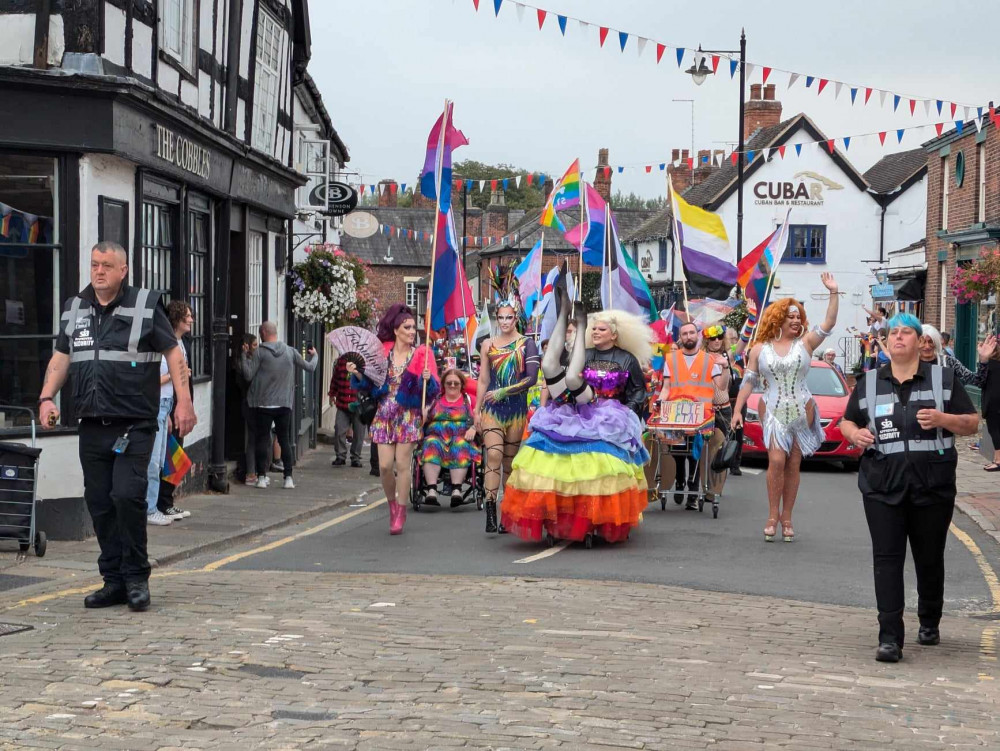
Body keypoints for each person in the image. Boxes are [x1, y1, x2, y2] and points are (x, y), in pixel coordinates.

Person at [38, 241, 196, 612]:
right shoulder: (74, 308)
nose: (99, 272)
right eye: (94, 264)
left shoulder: (144, 305)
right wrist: (47, 397)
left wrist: (184, 402)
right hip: (92, 423)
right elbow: (62, 357)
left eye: (107, 265)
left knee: (127, 496)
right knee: (100, 503)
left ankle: (137, 578)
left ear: (123, 270)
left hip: (135, 422)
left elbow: (173, 352)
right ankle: (114, 580)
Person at [839, 314, 978, 662]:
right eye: (893, 333)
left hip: (932, 486)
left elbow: (972, 423)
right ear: (885, 343)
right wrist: (854, 434)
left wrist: (943, 420)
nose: (898, 337)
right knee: (886, 559)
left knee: (929, 558)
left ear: (920, 341)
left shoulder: (943, 380)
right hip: (881, 484)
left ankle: (930, 619)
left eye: (906, 332)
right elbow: (847, 420)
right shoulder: (869, 383)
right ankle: (890, 637)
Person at [502, 290, 651, 544]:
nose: (596, 333)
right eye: (593, 329)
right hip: (574, 407)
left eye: (601, 329)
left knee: (598, 466)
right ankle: (563, 315)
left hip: (607, 414)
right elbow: (568, 371)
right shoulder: (586, 354)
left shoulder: (627, 360)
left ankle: (592, 519)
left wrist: (629, 413)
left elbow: (638, 392)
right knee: (550, 367)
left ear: (614, 334)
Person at [733, 273, 840, 542]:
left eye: (798, 317)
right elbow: (748, 382)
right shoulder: (759, 349)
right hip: (772, 409)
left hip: (802, 409)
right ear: (777, 318)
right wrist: (737, 410)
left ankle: (787, 517)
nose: (795, 320)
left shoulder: (806, 344)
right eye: (790, 316)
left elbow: (829, 323)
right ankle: (772, 514)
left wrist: (833, 293)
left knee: (793, 463)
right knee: (776, 460)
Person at [349, 303, 438, 535]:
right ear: (396, 329)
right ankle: (392, 505)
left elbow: (432, 390)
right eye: (407, 327)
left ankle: (401, 509)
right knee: (385, 467)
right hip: (384, 414)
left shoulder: (423, 354)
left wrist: (426, 379)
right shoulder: (383, 351)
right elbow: (369, 383)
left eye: (413, 327)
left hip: (408, 414)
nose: (412, 331)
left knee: (402, 464)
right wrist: (357, 372)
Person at [474, 277, 540, 535]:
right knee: (493, 455)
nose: (504, 322)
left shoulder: (527, 344)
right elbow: (483, 380)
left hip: (515, 409)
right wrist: (476, 411)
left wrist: (504, 391)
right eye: (500, 318)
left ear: (516, 319)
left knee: (510, 463)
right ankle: (490, 507)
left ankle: (507, 512)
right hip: (492, 409)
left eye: (508, 318)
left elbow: (531, 378)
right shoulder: (487, 345)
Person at [657, 321, 729, 510]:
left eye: (691, 333)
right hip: (676, 414)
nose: (688, 336)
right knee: (678, 451)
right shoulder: (671, 359)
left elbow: (721, 386)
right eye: (684, 334)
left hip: (701, 415)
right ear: (680, 338)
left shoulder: (708, 359)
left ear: (697, 336)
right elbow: (666, 388)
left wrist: (726, 367)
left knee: (696, 453)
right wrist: (659, 401)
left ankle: (693, 489)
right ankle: (680, 481)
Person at [239, 321, 318, 490]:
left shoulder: (260, 352)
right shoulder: (290, 351)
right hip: (284, 405)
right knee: (284, 440)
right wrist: (315, 355)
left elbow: (247, 375)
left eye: (260, 334)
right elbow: (310, 367)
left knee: (262, 440)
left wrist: (244, 356)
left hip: (263, 405)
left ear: (263, 333)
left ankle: (261, 477)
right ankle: (288, 478)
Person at [144, 301, 191, 527]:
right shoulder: (163, 349)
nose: (191, 320)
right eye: (188, 316)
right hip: (157, 405)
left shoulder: (178, 345)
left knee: (165, 460)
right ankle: (150, 508)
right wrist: (175, 375)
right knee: (153, 462)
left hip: (166, 405)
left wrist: (171, 412)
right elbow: (152, 380)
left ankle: (160, 504)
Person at [421, 368, 480, 507]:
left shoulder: (469, 400)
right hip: (436, 437)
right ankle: (431, 490)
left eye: (456, 383)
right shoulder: (435, 399)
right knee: (430, 444)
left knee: (459, 445)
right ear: (443, 385)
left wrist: (473, 428)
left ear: (461, 385)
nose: (452, 386)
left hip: (461, 437)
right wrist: (423, 415)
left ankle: (457, 490)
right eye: (449, 383)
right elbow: (423, 422)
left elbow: (479, 420)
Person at [918, 324, 987, 387]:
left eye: (930, 342)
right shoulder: (912, 364)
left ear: (936, 343)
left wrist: (983, 360)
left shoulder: (949, 362)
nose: (927, 346)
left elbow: (977, 380)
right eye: (923, 342)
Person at [329, 353, 366, 468]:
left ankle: (355, 457)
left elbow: (367, 382)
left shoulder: (363, 361)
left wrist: (356, 371)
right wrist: (332, 394)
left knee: (359, 433)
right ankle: (340, 456)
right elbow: (335, 379)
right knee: (339, 429)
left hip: (359, 403)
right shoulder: (341, 361)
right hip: (343, 402)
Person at [233, 333, 259, 485]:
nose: (257, 348)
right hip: (248, 403)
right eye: (254, 345)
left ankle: (255, 471)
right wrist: (244, 355)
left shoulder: (249, 359)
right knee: (253, 439)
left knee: (259, 438)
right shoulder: (243, 360)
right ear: (246, 346)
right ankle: (251, 473)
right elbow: (248, 376)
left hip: (253, 402)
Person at [974, 333, 1000, 471]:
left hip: (993, 402)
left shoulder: (989, 365)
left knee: (994, 430)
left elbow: (979, 381)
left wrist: (982, 360)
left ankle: (998, 460)